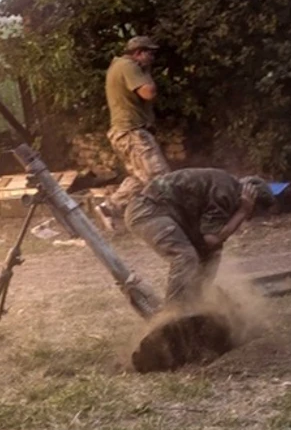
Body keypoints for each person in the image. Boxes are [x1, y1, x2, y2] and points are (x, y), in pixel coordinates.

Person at [125, 168, 274, 307]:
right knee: (185, 257)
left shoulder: (228, 188)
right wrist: (242, 211)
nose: (248, 219)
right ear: (251, 199)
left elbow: (210, 244)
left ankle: (197, 305)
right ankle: (174, 317)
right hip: (147, 210)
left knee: (211, 255)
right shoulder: (226, 193)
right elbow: (212, 238)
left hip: (164, 211)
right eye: (253, 213)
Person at [97, 35, 171, 232]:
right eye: (150, 53)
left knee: (139, 179)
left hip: (123, 132)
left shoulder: (119, 65)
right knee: (161, 177)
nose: (152, 58)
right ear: (139, 53)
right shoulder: (129, 66)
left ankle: (108, 208)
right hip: (132, 132)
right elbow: (148, 92)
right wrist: (146, 71)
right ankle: (170, 221)